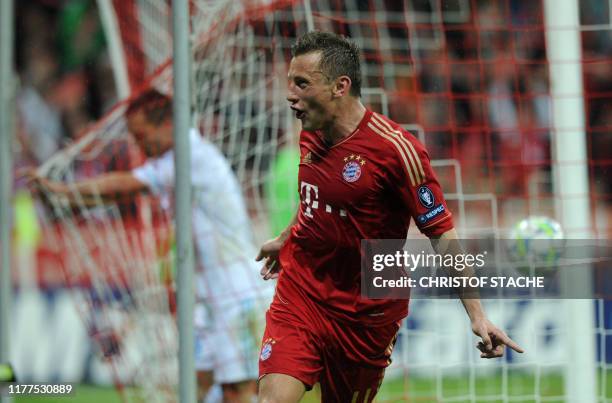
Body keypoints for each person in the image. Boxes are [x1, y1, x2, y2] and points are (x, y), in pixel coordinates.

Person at [255, 31, 524, 403]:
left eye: (302, 83)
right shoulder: (310, 129)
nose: (291, 95)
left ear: (339, 86)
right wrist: (287, 237)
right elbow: (315, 197)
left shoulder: (397, 152)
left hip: (366, 315)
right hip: (303, 296)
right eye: (290, 83)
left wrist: (477, 315)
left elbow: (442, 234)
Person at [28, 89, 269, 403]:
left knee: (237, 392)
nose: (139, 147)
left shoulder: (191, 155)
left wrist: (62, 191)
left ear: (167, 123)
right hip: (207, 299)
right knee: (194, 386)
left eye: (142, 136)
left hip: (236, 296)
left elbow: (123, 187)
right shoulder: (176, 159)